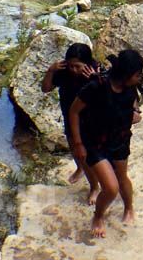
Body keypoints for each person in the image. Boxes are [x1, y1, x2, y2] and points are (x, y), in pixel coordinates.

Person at [69, 49, 143, 237]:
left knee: (122, 177)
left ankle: (129, 208)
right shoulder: (95, 87)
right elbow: (74, 112)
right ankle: (98, 216)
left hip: (119, 140)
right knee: (111, 188)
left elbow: (131, 106)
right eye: (137, 74)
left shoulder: (129, 88)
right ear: (126, 75)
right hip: (95, 143)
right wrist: (78, 144)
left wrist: (135, 114)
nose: (140, 78)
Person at [41, 43, 100, 202]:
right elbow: (45, 88)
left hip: (91, 119)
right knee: (75, 150)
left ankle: (95, 186)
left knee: (88, 153)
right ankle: (81, 168)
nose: (73, 70)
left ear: (86, 64)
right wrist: (51, 70)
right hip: (69, 116)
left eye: (77, 66)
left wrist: (95, 79)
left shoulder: (95, 71)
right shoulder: (63, 71)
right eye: (71, 66)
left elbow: (105, 96)